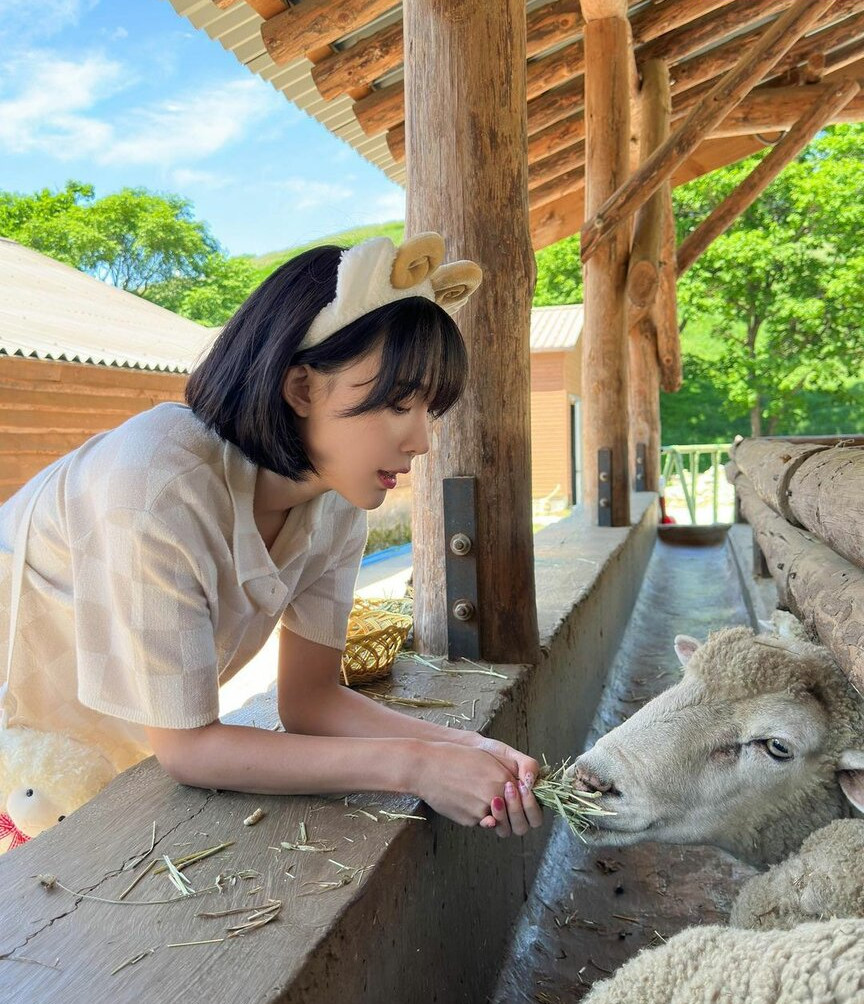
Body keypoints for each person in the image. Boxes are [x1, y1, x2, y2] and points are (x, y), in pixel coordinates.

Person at [0, 233, 542, 838]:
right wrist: (416, 767)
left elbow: (310, 700)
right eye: (398, 403)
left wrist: (466, 748)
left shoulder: (336, 504)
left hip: (96, 743)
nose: (421, 440)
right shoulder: (156, 478)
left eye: (429, 410)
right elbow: (189, 749)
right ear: (301, 387)